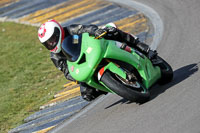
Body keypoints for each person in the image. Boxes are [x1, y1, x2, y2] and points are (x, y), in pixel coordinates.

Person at [38, 19, 157, 101]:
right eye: (48, 43)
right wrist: (76, 77)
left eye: (53, 39)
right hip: (85, 65)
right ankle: (115, 84)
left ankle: (143, 48)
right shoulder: (55, 56)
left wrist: (95, 31)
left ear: (58, 32)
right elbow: (66, 72)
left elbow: (85, 29)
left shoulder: (71, 30)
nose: (52, 43)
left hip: (93, 47)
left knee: (112, 31)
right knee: (87, 95)